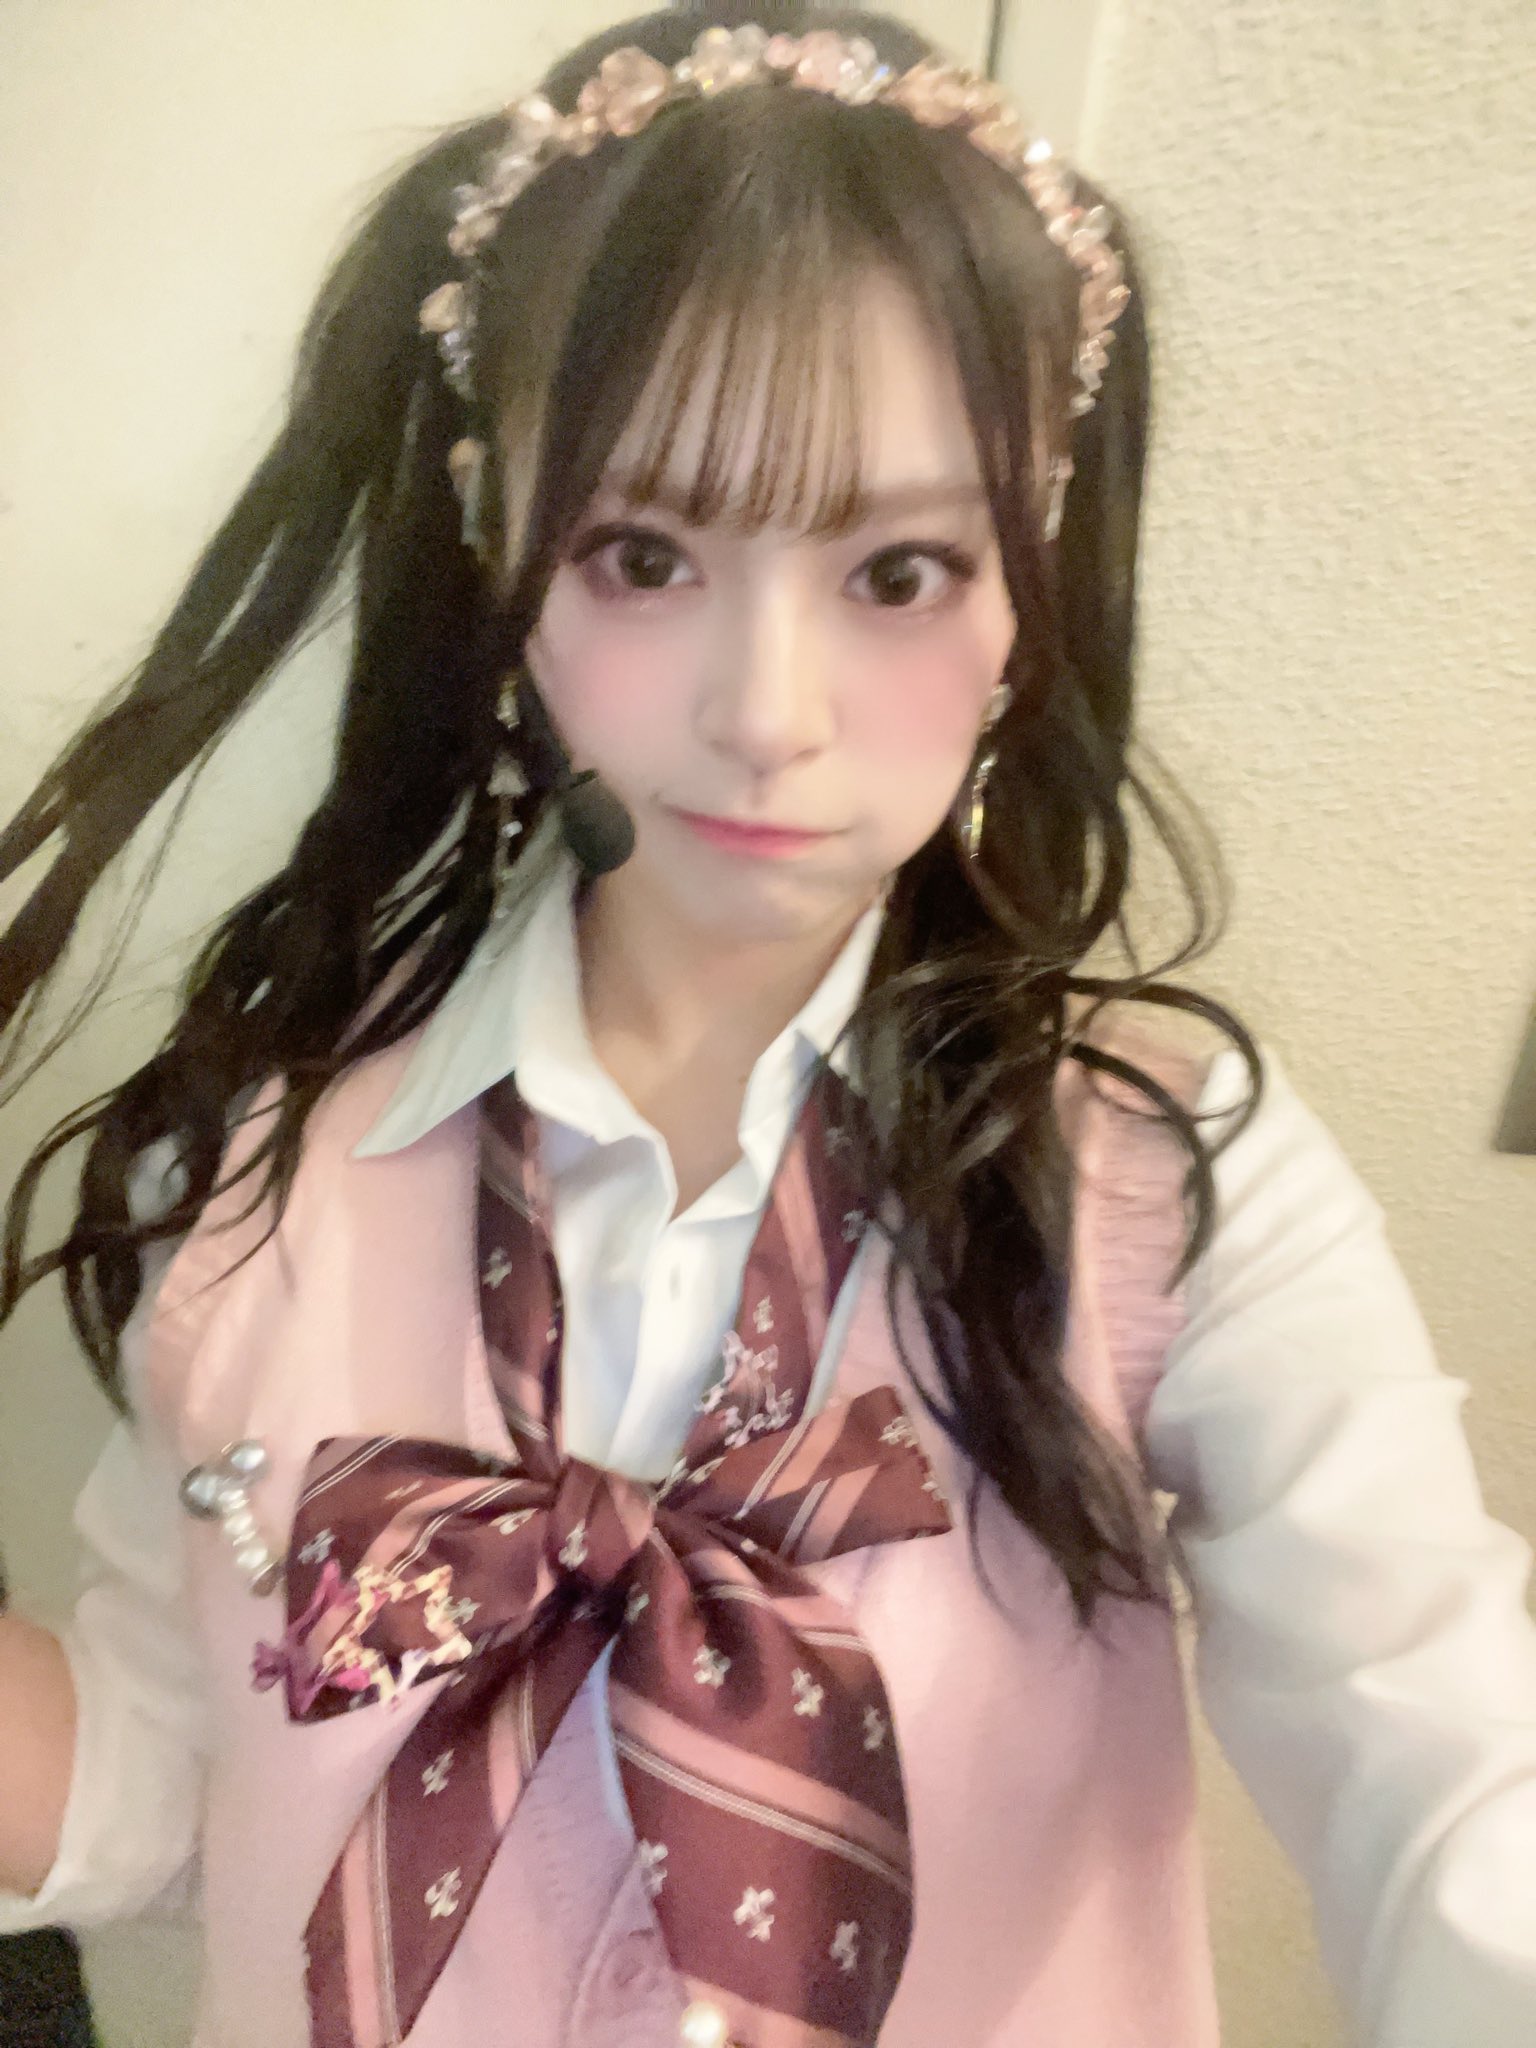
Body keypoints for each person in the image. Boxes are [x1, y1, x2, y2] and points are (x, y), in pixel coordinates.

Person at [0, 7, 1532, 2046]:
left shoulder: (1167, 1180)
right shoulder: (255, 1175)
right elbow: (176, 1791)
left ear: (1028, 581)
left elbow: (1442, 1759)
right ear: (497, 529)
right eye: (643, 555)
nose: (766, 711)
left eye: (899, 569)